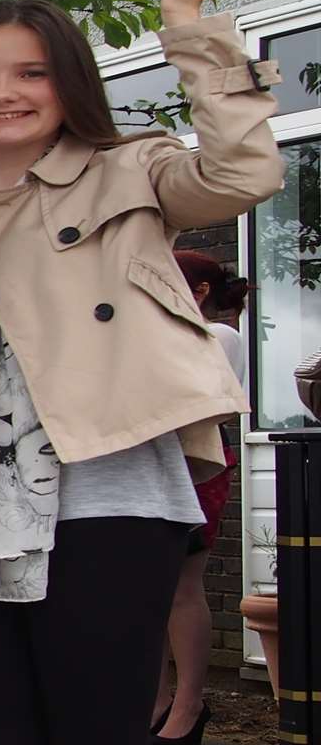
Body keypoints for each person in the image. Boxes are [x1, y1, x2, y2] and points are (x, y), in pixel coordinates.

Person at [0, 0, 282, 745]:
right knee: (5, 730)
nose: (3, 92)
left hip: (107, 497)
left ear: (70, 82)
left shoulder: (130, 168)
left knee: (96, 727)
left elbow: (245, 173)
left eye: (31, 72)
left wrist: (189, 19)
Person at [150, 250, 248, 743]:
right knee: (148, 590)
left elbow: (210, 407)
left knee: (184, 585)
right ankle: (157, 701)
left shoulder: (221, 337)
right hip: (152, 461)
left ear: (200, 291)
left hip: (197, 463)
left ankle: (188, 705)